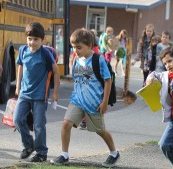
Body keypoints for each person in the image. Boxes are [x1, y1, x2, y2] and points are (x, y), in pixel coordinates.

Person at [50, 29, 120, 167]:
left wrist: (104, 102)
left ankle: (114, 153)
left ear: (89, 45)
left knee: (100, 131)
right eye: (74, 47)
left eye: (79, 47)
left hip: (94, 103)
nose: (76, 50)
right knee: (66, 124)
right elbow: (77, 79)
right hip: (77, 101)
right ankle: (64, 155)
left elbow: (107, 81)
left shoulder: (99, 60)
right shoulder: (77, 59)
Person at [13, 22, 60, 162]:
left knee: (39, 125)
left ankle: (41, 152)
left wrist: (55, 92)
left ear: (42, 40)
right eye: (29, 39)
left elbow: (56, 72)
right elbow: (20, 67)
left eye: (36, 39)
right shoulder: (23, 50)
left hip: (40, 96)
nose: (32, 42)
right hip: (24, 94)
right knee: (17, 119)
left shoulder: (45, 53)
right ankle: (28, 146)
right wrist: (18, 86)